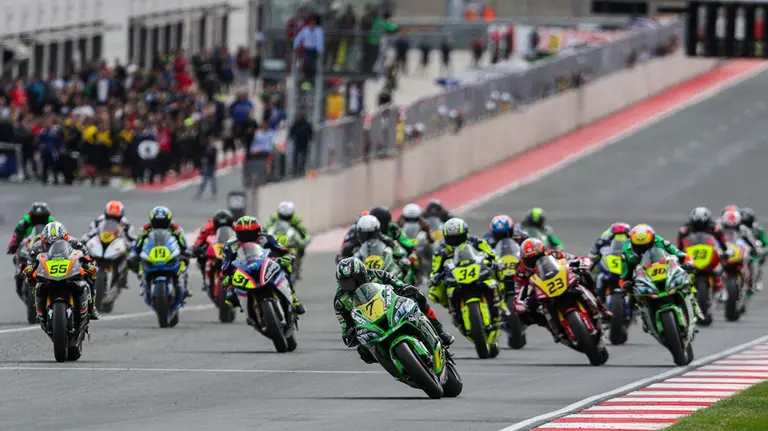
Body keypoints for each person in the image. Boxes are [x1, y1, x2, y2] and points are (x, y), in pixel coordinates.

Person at [333, 257, 454, 364]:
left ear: (362, 275)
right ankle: (395, 364)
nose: (349, 285)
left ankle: (439, 332)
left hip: (390, 309)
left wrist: (406, 289)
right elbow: (345, 327)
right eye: (344, 282)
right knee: (364, 353)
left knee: (417, 297)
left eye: (353, 280)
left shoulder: (377, 275)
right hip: (369, 325)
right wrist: (349, 333)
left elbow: (399, 284)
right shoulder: (340, 300)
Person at [513, 238, 607, 342]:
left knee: (585, 275)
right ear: (523, 259)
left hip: (561, 280)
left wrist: (584, 263)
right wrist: (520, 303)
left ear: (543, 252)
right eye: (530, 260)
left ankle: (601, 306)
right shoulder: (520, 271)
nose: (534, 262)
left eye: (537, 257)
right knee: (525, 314)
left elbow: (573, 258)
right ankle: (549, 326)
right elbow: (518, 289)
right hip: (541, 290)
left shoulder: (553, 254)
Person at [220, 215, 305, 314]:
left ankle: (294, 300)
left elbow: (284, 251)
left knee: (285, 268)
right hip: (244, 271)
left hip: (266, 265)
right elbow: (225, 268)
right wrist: (227, 282)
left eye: (251, 234)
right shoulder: (230, 245)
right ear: (237, 233)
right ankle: (249, 309)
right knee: (230, 297)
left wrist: (287, 257)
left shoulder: (266, 237)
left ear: (258, 231)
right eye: (243, 234)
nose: (248, 238)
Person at [619, 224, 704, 321]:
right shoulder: (626, 252)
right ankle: (642, 314)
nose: (643, 250)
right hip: (642, 275)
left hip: (661, 269)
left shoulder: (660, 241)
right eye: (639, 247)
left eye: (646, 246)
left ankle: (694, 304)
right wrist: (626, 285)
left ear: (652, 240)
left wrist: (689, 263)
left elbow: (681, 255)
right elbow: (623, 277)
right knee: (631, 294)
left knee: (687, 275)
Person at [23, 222, 100, 320]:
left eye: (58, 243)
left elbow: (86, 256)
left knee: (91, 275)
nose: (52, 246)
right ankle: (38, 308)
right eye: (48, 244)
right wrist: (30, 269)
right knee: (30, 280)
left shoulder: (75, 243)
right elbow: (30, 264)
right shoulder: (36, 248)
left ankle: (92, 305)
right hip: (47, 272)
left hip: (69, 268)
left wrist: (89, 265)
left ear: (65, 239)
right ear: (43, 240)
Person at [427, 218, 504, 314]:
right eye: (452, 238)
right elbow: (435, 269)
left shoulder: (476, 241)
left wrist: (497, 261)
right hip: (454, 277)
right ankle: (451, 307)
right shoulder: (440, 251)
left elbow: (491, 253)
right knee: (434, 292)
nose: (456, 241)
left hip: (477, 271)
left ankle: (500, 297)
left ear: (465, 234)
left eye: (459, 238)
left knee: (497, 270)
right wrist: (434, 277)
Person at [128, 206, 192, 300]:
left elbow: (183, 241)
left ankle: (184, 286)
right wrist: (134, 252)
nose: (160, 225)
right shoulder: (145, 229)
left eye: (163, 223)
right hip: (152, 251)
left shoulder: (175, 228)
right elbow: (138, 242)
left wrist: (186, 250)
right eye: (157, 223)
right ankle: (143, 282)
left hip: (170, 251)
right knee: (135, 262)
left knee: (184, 262)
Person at [338, 215, 410, 273]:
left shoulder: (386, 240)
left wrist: (401, 258)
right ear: (359, 233)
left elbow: (400, 251)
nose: (368, 237)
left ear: (377, 231)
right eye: (365, 234)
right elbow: (340, 258)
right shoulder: (352, 243)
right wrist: (343, 259)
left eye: (371, 234)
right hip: (362, 275)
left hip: (385, 272)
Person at [720, 209, 764, 294]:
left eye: (734, 226)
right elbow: (714, 239)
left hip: (739, 252)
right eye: (728, 226)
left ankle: (752, 282)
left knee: (753, 261)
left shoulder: (743, 229)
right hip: (724, 252)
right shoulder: (720, 229)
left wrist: (756, 248)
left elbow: (751, 240)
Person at [191, 209, 236, 286]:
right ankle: (205, 277)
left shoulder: (235, 226)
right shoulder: (207, 227)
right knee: (201, 257)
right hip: (212, 249)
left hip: (228, 248)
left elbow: (241, 236)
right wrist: (196, 247)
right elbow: (199, 239)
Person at [741, 207, 768, 291]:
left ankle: (757, 280)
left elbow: (765, 242)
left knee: (758, 263)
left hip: (753, 251)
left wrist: (763, 250)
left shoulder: (757, 228)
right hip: (739, 250)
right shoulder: (735, 228)